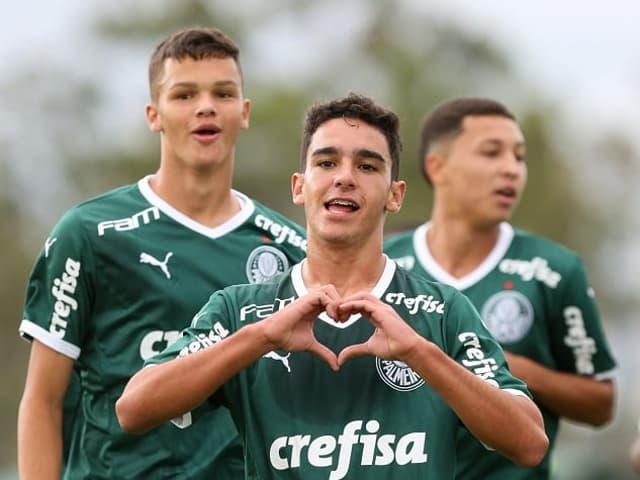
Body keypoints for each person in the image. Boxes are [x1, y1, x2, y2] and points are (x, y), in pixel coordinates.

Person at [115, 92, 548, 479]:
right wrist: (261, 337)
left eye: (366, 165)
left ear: (394, 195)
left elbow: (529, 441)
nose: (344, 176)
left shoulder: (443, 310)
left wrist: (420, 353)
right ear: (300, 187)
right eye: (326, 162)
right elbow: (134, 409)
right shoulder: (240, 311)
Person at [17, 27, 307, 479]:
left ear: (244, 112)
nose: (205, 106)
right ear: (154, 114)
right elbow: (43, 400)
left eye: (223, 93)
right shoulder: (89, 234)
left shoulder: (291, 248)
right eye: (185, 95)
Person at [383, 97, 617, 479]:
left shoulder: (554, 270)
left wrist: (510, 369)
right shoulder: (384, 264)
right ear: (437, 167)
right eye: (491, 153)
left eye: (519, 157)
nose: (511, 169)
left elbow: (601, 404)